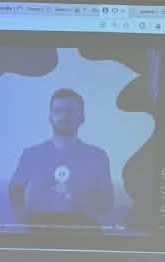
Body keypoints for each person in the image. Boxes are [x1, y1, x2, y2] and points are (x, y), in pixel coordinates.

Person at [8, 88, 113, 226]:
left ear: (82, 117)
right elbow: (15, 194)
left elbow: (105, 203)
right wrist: (28, 225)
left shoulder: (97, 157)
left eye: (70, 111)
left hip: (83, 233)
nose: (64, 116)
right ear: (50, 117)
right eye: (57, 111)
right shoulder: (30, 156)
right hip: (39, 233)